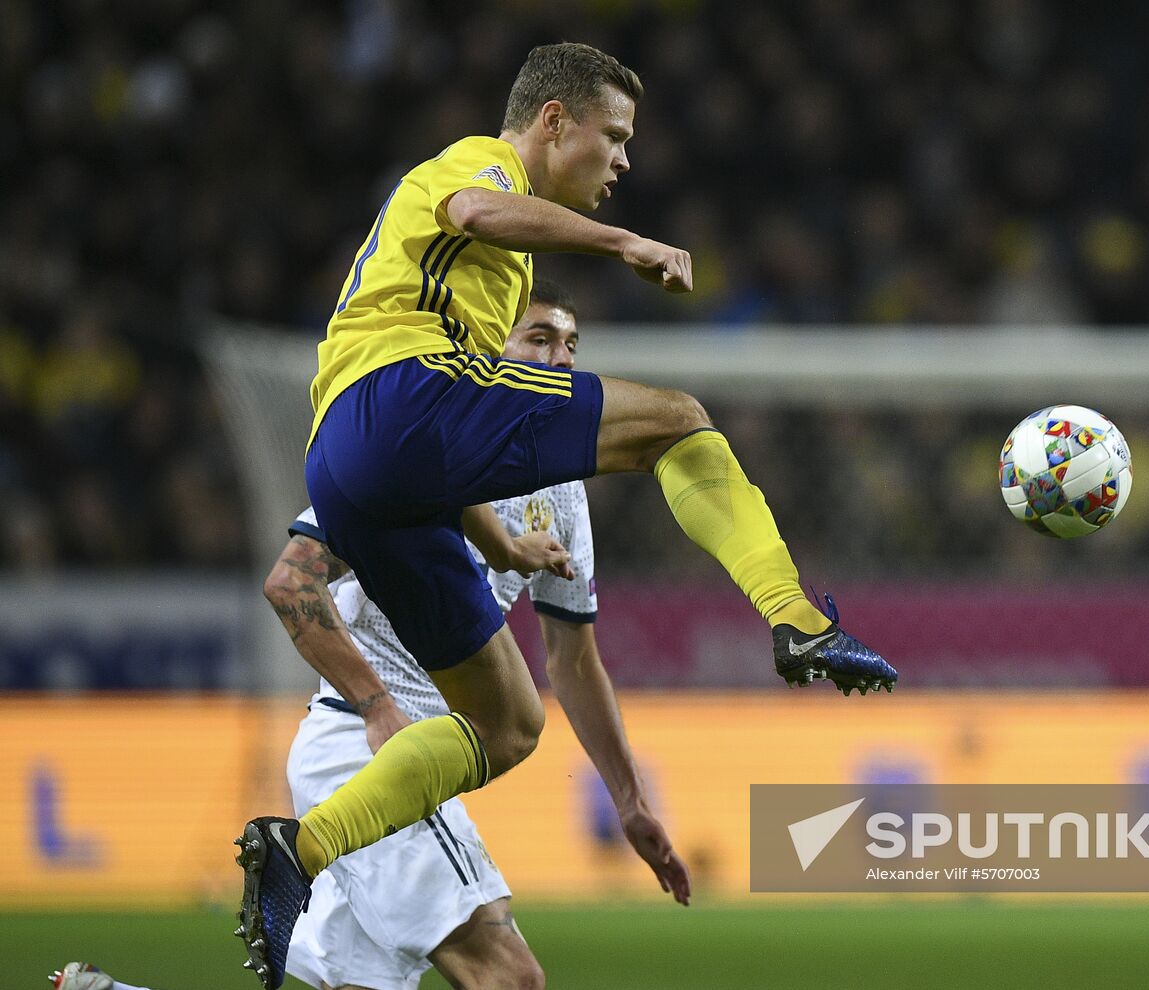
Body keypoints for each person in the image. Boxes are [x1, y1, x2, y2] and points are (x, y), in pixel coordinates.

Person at [238, 42, 895, 988]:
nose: (623, 162)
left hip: (367, 462)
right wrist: (626, 244)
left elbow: (445, 476)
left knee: (507, 722)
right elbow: (476, 208)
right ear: (555, 122)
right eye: (614, 137)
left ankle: (292, 852)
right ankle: (798, 620)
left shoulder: (490, 287)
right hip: (398, 399)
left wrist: (500, 540)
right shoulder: (481, 163)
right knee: (677, 420)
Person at [59, 284, 690, 990]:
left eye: (572, 346)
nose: (561, 359)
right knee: (510, 979)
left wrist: (631, 801)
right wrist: (375, 705)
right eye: (539, 339)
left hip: (407, 760)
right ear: (490, 352)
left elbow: (573, 660)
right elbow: (292, 584)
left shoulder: (561, 493)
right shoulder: (418, 449)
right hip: (364, 750)